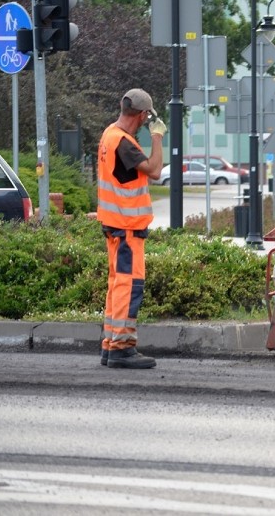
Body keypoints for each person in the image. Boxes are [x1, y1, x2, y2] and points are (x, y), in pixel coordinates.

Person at [97, 89, 166, 369]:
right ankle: (122, 348)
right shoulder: (124, 143)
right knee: (129, 286)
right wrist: (158, 137)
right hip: (127, 228)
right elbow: (155, 170)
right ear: (142, 115)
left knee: (117, 285)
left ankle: (110, 344)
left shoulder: (109, 134)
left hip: (114, 226)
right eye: (147, 117)